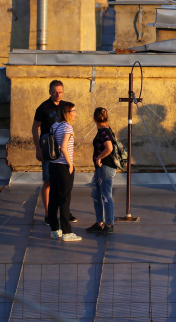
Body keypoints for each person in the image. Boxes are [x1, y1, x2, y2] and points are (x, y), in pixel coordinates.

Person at [32, 80, 76, 225]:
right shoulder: (43, 108)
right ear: (50, 92)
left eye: (60, 92)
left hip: (63, 151)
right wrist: (38, 149)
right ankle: (47, 214)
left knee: (64, 183)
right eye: (55, 92)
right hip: (49, 149)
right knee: (48, 181)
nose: (58, 94)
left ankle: (65, 212)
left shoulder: (65, 106)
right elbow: (35, 128)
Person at [48, 101, 81, 242]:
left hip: (53, 165)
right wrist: (70, 164)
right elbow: (63, 147)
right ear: (67, 113)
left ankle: (54, 230)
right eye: (73, 111)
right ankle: (67, 232)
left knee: (54, 198)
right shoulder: (67, 127)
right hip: (63, 165)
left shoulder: (54, 126)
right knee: (65, 198)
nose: (75, 114)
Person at [86, 107, 116, 237]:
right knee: (96, 195)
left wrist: (99, 157)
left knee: (105, 196)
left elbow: (109, 148)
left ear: (94, 118)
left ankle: (109, 224)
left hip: (105, 167)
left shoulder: (104, 131)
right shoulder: (106, 130)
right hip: (101, 168)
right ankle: (100, 223)